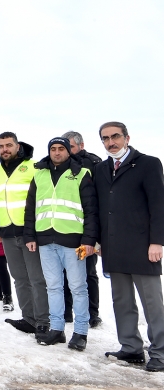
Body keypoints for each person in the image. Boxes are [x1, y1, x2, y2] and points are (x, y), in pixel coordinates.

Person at [93, 122, 164, 372]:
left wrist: (157, 241)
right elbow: (99, 209)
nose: (110, 142)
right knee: (121, 301)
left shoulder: (148, 163)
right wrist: (99, 240)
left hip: (143, 247)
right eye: (105, 138)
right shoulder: (100, 169)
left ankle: (161, 353)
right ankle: (131, 348)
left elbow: (158, 205)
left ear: (126, 137)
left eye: (115, 136)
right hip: (113, 246)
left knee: (152, 303)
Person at [23, 137, 98, 351]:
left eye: (61, 149)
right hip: (46, 240)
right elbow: (31, 209)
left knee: (77, 287)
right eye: (53, 149)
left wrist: (88, 240)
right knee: (54, 287)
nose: (57, 152)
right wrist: (30, 236)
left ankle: (80, 332)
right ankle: (56, 329)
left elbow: (91, 211)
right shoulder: (40, 175)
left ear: (68, 152)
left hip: (74, 242)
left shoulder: (82, 173)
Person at [0, 132, 50, 338]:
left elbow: (43, 198)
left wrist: (35, 229)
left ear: (17, 146)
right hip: (7, 232)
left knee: (37, 278)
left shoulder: (34, 167)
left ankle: (43, 321)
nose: (4, 149)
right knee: (19, 278)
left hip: (29, 232)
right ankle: (29, 319)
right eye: (0, 146)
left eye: (8, 145)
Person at [61, 130, 103, 328]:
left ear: (81, 146)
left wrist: (95, 235)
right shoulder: (60, 165)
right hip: (67, 230)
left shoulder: (93, 165)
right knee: (66, 272)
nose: (68, 151)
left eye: (71, 147)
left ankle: (92, 313)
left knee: (87, 271)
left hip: (86, 231)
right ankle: (67, 311)